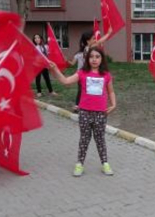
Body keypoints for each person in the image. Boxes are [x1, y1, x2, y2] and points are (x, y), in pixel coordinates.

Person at [49, 47, 116, 177]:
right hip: (85, 112)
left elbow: (111, 91)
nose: (94, 59)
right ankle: (79, 164)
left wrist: (114, 104)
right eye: (91, 57)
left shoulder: (106, 75)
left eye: (97, 57)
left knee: (100, 139)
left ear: (102, 59)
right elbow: (66, 81)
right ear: (87, 59)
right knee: (84, 139)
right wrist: (55, 70)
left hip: (101, 113)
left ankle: (105, 163)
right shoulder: (82, 73)